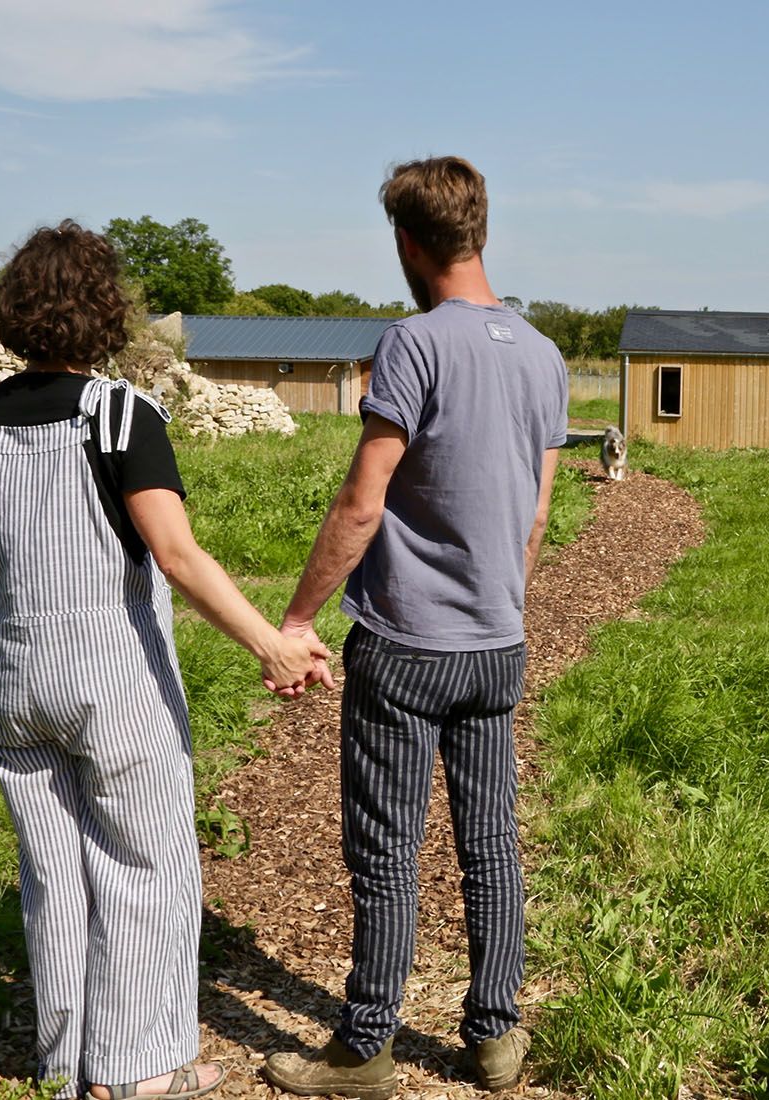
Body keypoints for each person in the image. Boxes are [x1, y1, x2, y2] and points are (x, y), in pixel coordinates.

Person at [0, 221, 332, 1100]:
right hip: (110, 675)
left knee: (52, 870)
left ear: (14, 314)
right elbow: (177, 555)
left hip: (12, 672)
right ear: (104, 313)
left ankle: (64, 1063)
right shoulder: (122, 414)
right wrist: (272, 643)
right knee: (147, 866)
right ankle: (139, 1072)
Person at [262, 157, 567, 1098]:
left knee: (388, 849)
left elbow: (363, 502)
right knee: (492, 841)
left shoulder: (413, 345)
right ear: (481, 230)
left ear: (406, 241)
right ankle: (494, 1036)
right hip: (497, 643)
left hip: (405, 647)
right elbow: (535, 517)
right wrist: (498, 609)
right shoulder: (545, 354)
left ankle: (364, 1051)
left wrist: (300, 618)